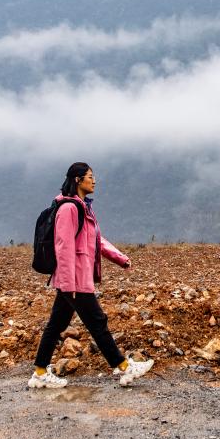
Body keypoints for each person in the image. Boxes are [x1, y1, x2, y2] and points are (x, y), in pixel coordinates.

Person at [28, 161, 153, 388]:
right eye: (90, 176)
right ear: (78, 180)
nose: (94, 181)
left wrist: (120, 258)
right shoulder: (69, 209)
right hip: (74, 280)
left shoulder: (83, 207)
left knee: (56, 325)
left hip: (74, 279)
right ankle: (124, 367)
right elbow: (63, 247)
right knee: (97, 322)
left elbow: (96, 240)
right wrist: (69, 284)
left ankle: (40, 373)